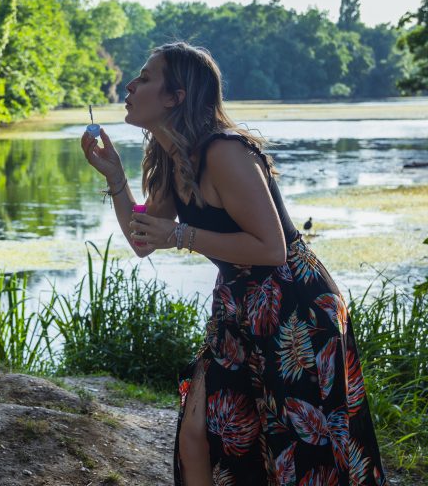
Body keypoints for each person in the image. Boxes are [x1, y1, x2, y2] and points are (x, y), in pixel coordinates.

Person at [80, 42, 386, 485]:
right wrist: (115, 178)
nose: (130, 84)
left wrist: (182, 235)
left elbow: (272, 249)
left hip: (294, 307)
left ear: (176, 96)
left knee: (300, 450)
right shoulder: (170, 158)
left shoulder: (225, 152)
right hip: (238, 306)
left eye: (144, 77)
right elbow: (143, 239)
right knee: (197, 433)